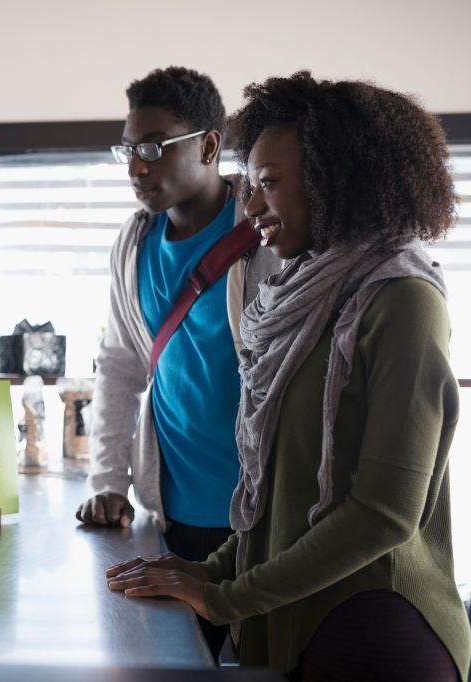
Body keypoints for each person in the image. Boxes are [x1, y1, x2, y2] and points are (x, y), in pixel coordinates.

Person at [107, 72, 471, 681]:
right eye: (250, 184)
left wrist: (226, 598)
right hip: (297, 617)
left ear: (337, 182)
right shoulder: (297, 297)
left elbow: (384, 514)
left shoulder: (402, 299)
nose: (249, 207)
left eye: (268, 184)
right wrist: (213, 570)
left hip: (375, 630)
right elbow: (280, 491)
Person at [75, 66, 279, 659]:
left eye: (152, 148)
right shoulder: (133, 244)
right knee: (178, 662)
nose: (136, 166)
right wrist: (109, 481)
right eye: (128, 150)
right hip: (172, 514)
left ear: (209, 145)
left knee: (263, 660)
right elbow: (118, 366)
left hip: (263, 512)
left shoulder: (267, 229)